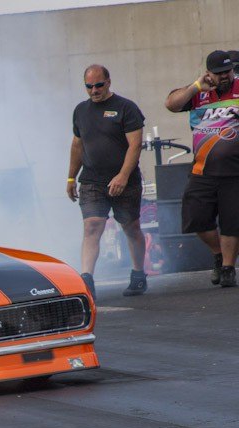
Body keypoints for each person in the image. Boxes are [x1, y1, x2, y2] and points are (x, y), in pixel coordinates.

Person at [67, 65, 147, 300]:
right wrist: (71, 177)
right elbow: (77, 145)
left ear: (108, 82)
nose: (94, 90)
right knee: (92, 225)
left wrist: (122, 176)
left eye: (99, 85)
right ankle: (86, 280)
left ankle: (138, 273)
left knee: (131, 227)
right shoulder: (80, 111)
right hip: (92, 180)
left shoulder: (126, 107)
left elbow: (135, 145)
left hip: (125, 181)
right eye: (89, 86)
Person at [165, 50, 239, 288]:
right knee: (195, 219)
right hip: (202, 170)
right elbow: (171, 104)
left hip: (234, 172)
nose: (224, 76)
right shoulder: (198, 93)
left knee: (232, 222)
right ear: (209, 74)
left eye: (227, 71)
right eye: (219, 73)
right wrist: (196, 87)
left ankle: (228, 268)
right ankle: (218, 254)